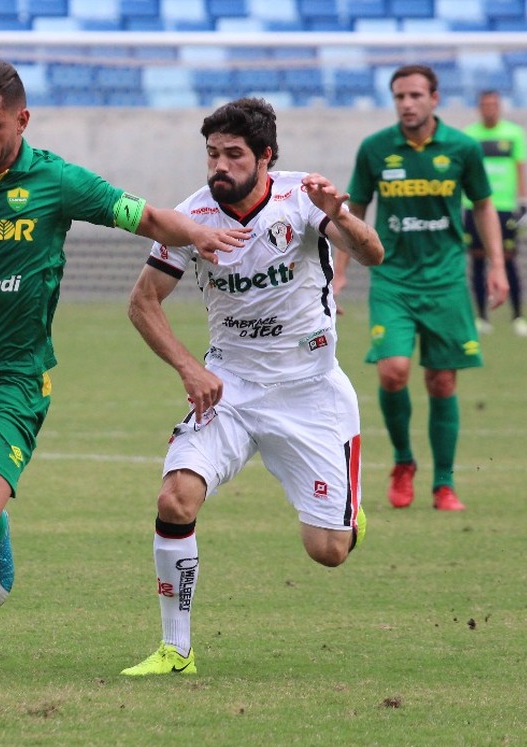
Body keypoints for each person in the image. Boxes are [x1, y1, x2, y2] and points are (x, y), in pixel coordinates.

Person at [0, 59, 250, 674]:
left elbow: (140, 215)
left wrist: (195, 233)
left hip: (11, 380)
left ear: (22, 120)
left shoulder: (55, 181)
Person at [120, 97, 384, 677]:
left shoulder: (302, 199)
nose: (220, 165)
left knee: (328, 552)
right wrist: (189, 367)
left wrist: (340, 217)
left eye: (234, 154)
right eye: (212, 153)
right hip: (230, 388)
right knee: (175, 499)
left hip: (310, 391)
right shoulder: (191, 216)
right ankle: (176, 651)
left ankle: (347, 515)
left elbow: (373, 254)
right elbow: (142, 303)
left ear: (265, 157)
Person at [336, 64, 509, 513]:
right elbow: (354, 211)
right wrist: (340, 271)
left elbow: (484, 206)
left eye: (415, 95)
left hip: (447, 280)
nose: (407, 104)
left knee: (442, 379)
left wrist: (496, 265)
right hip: (392, 278)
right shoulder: (375, 149)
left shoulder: (462, 148)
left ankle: (444, 484)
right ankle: (403, 461)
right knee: (393, 370)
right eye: (399, 96)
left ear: (435, 98)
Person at [463, 90, 527, 337]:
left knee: (509, 260)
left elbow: (520, 169)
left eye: (493, 104)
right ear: (479, 107)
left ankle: (518, 316)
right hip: (474, 206)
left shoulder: (514, 133)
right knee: (478, 261)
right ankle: (482, 317)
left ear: (499, 106)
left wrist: (524, 203)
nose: (489, 108)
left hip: (503, 207)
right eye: (485, 104)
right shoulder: (469, 135)